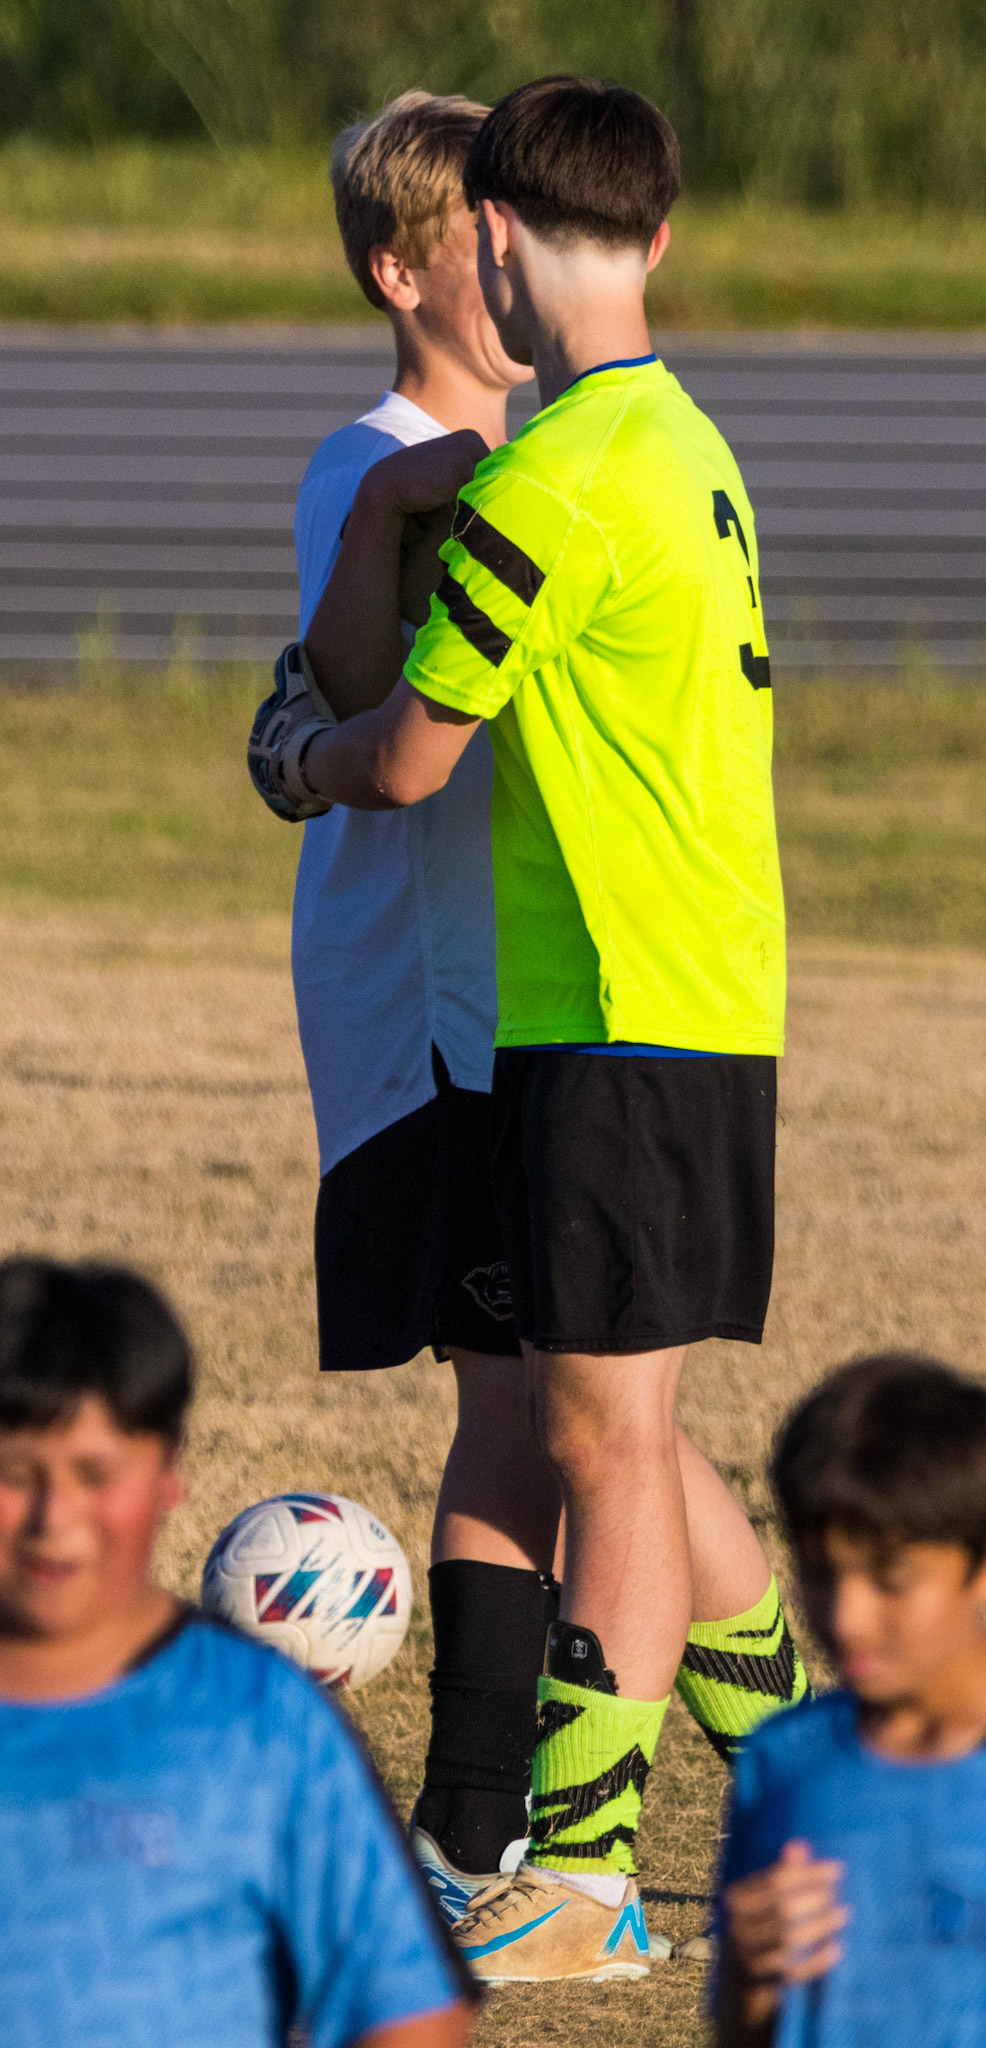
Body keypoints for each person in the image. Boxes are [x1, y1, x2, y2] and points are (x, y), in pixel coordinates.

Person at [257, 73, 809, 1983]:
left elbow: (406, 753)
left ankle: (566, 1867)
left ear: (493, 240)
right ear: (659, 235)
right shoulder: (685, 444)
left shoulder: (549, 478)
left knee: (595, 1436)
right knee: (619, 1427)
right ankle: (820, 1781)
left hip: (606, 1012)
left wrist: (294, 756)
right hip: (691, 996)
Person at [261, 91, 564, 1919]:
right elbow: (357, 725)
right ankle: (477, 1826)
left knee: (591, 1409)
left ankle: (760, 1738)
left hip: (540, 998)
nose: (514, 269)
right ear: (400, 269)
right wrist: (394, 514)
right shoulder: (368, 464)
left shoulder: (551, 459)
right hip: (441, 1017)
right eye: (481, 239)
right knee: (534, 1403)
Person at [0, 1254, 474, 2048]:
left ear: (169, 1470)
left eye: (95, 1473)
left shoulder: (263, 1720)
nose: (55, 1517)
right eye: (16, 1473)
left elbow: (407, 2009)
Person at [717, 1352, 986, 2048]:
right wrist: (751, 1974)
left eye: (891, 1579)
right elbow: (743, 2027)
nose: (847, 1619)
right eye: (820, 1573)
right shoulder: (783, 1758)